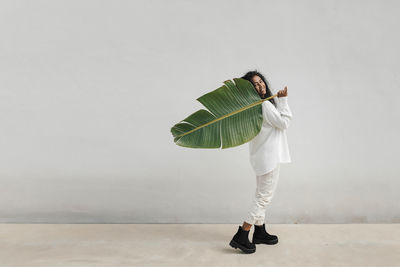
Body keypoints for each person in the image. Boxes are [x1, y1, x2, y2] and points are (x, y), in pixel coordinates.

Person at [229, 70, 292, 254]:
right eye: (255, 84)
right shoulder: (264, 105)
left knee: (260, 194)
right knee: (263, 198)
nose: (260, 86)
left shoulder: (253, 107)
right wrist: (284, 100)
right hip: (269, 159)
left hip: (261, 158)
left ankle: (260, 232)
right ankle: (242, 234)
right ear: (250, 90)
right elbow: (284, 123)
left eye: (261, 81)